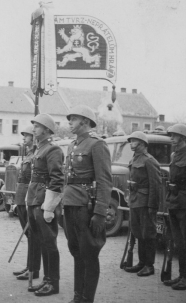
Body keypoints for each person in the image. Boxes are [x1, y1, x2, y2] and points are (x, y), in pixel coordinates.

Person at [62, 105, 112, 303]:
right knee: (76, 251)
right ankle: (78, 296)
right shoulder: (71, 145)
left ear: (84, 121)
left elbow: (104, 180)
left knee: (89, 252)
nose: (69, 122)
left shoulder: (97, 145)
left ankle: (87, 299)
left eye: (73, 119)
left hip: (85, 206)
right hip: (71, 203)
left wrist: (100, 212)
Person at [26, 113, 64, 297]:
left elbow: (56, 179)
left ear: (47, 130)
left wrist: (49, 207)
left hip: (43, 202)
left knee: (49, 243)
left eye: (37, 126)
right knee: (41, 241)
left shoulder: (53, 150)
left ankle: (53, 282)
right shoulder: (39, 149)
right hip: (34, 199)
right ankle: (46, 280)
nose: (33, 129)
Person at [163, 124, 186, 290]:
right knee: (179, 242)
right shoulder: (174, 155)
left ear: (184, 138)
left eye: (174, 135)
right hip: (174, 203)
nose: (171, 138)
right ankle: (181, 275)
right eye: (171, 135)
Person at [124, 131, 161, 276]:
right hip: (135, 200)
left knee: (148, 234)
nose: (131, 144)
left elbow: (155, 185)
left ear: (142, 144)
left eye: (134, 141)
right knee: (138, 232)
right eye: (131, 141)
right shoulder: (134, 159)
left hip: (145, 202)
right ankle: (141, 262)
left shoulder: (149, 160)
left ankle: (149, 265)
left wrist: (153, 206)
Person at [13, 126, 41, 280]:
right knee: (29, 235)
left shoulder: (36, 155)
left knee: (33, 234)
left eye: (27, 135)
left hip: (28, 197)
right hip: (21, 197)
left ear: (34, 138)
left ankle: (33, 270)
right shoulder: (28, 154)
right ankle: (29, 267)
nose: (24, 138)